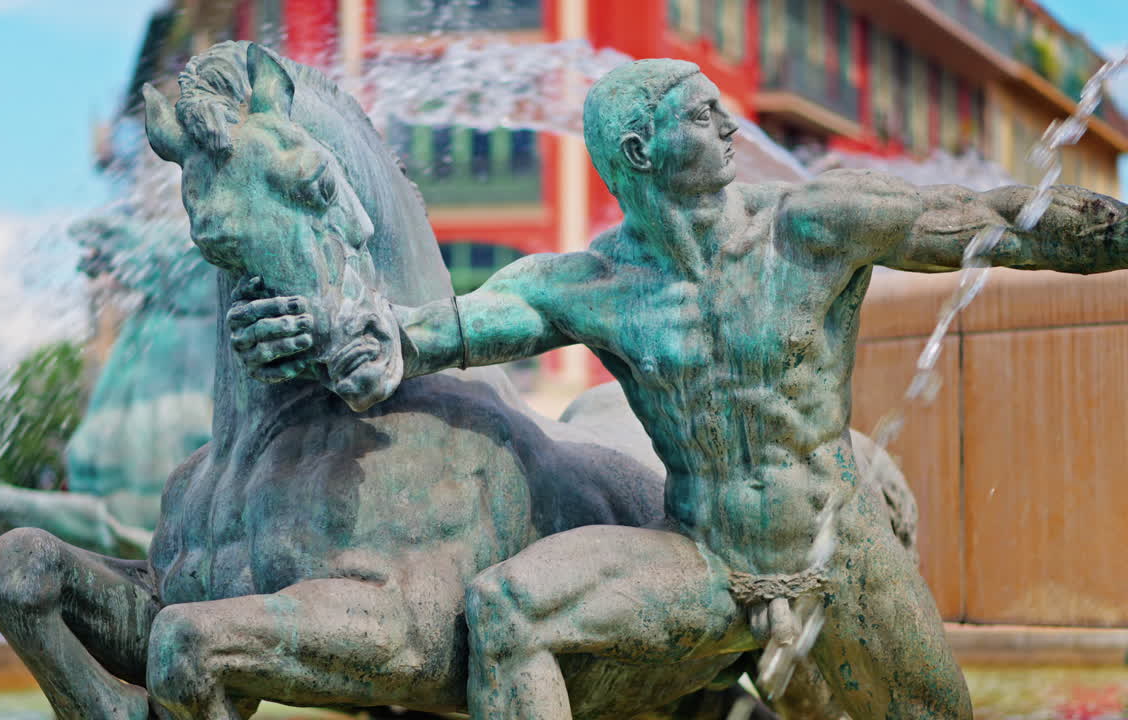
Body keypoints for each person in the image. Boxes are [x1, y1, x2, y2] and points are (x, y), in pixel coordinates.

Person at [227, 59, 1128, 719]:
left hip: (837, 547)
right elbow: (448, 329)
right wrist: (342, 338)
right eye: (704, 114)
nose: (732, 124)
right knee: (508, 610)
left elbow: (1004, 222)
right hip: (703, 558)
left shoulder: (814, 225)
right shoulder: (590, 283)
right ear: (640, 150)